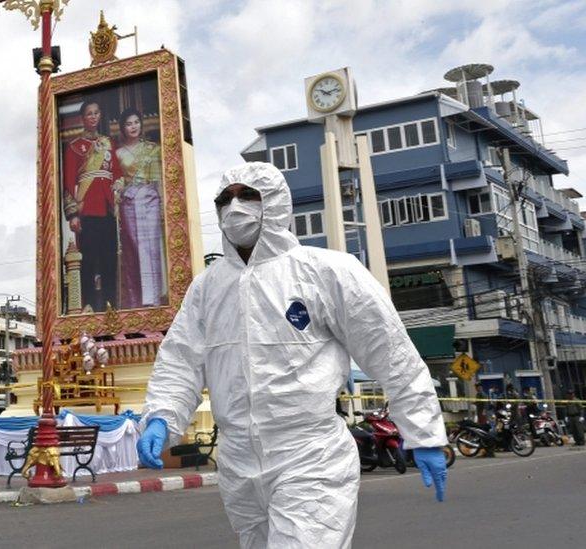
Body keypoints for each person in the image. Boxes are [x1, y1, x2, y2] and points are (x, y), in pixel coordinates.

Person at [137, 163, 448, 548]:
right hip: (238, 463)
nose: (234, 208)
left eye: (248, 195)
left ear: (276, 203)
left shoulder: (326, 271)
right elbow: (180, 362)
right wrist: (162, 418)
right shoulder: (207, 289)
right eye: (225, 199)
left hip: (310, 455)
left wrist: (424, 432)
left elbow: (391, 353)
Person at [62, 98, 122, 312]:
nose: (94, 116)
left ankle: (111, 304)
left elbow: (117, 172)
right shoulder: (74, 147)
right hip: (87, 209)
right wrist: (73, 215)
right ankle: (89, 305)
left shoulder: (108, 143)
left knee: (109, 258)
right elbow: (69, 182)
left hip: (107, 207)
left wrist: (118, 190)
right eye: (89, 113)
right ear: (83, 118)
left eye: (97, 113)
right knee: (88, 258)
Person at [114, 107, 167, 309]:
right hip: (128, 203)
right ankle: (136, 299)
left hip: (150, 200)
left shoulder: (153, 149)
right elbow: (119, 180)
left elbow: (156, 179)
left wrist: (162, 204)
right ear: (123, 127)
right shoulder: (118, 153)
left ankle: (153, 297)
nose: (133, 126)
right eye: (129, 123)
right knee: (134, 250)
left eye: (136, 122)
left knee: (151, 248)